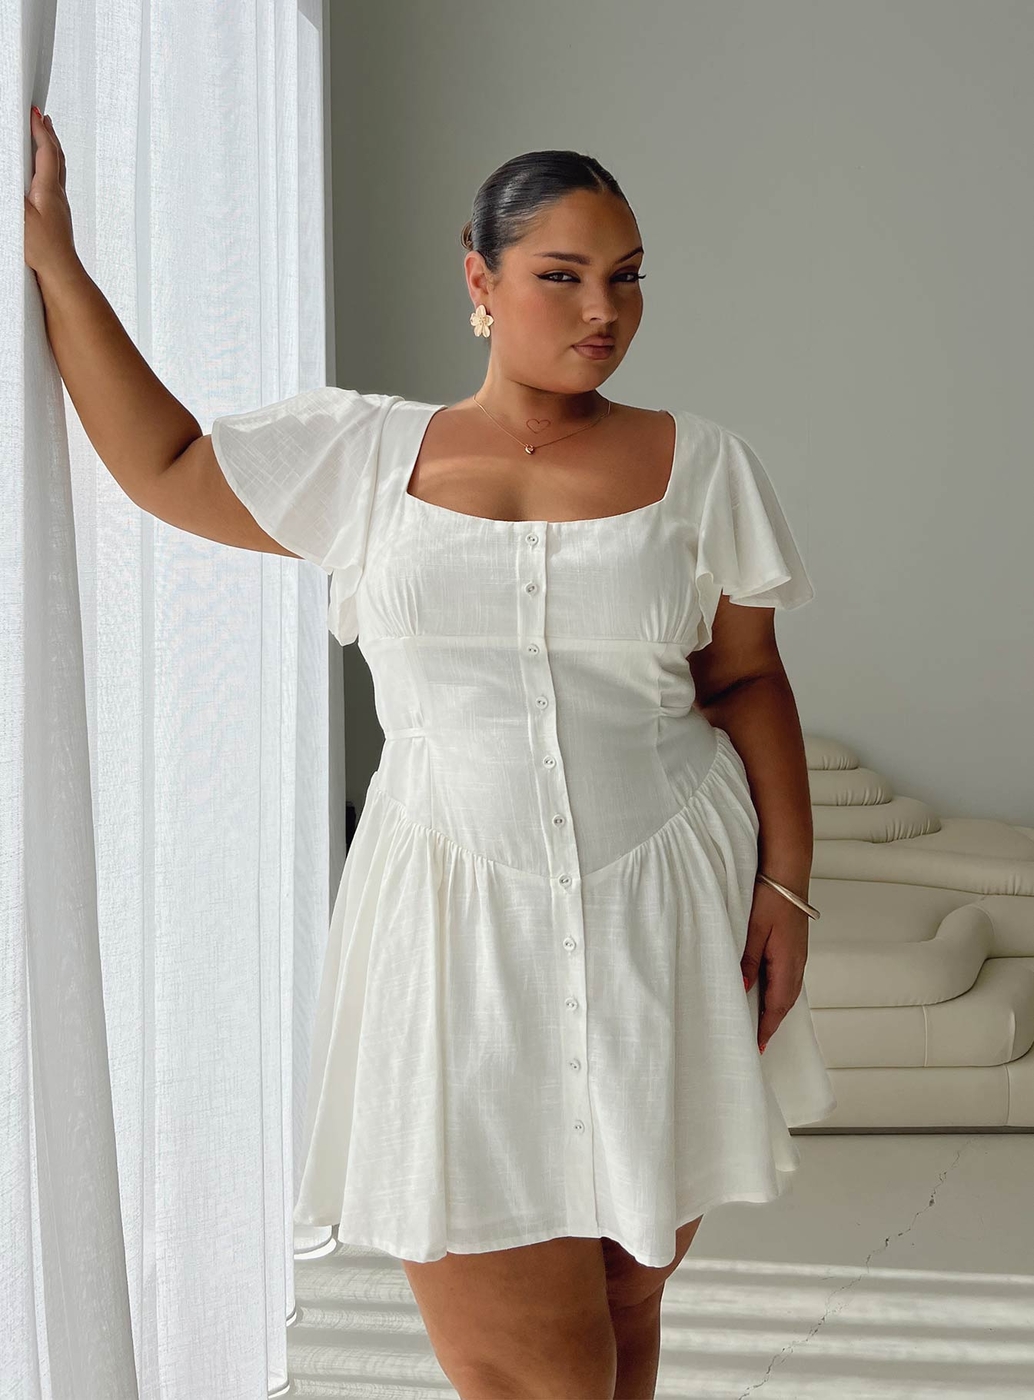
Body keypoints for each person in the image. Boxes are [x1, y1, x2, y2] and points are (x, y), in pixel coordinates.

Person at [27, 115, 835, 1400]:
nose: (603, 310)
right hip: (453, 928)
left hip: (663, 913)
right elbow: (166, 465)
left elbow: (742, 677)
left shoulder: (701, 464)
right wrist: (55, 261)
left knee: (625, 1304)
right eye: (561, 275)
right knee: (538, 1367)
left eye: (625, 275)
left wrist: (784, 884)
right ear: (479, 278)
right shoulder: (361, 455)